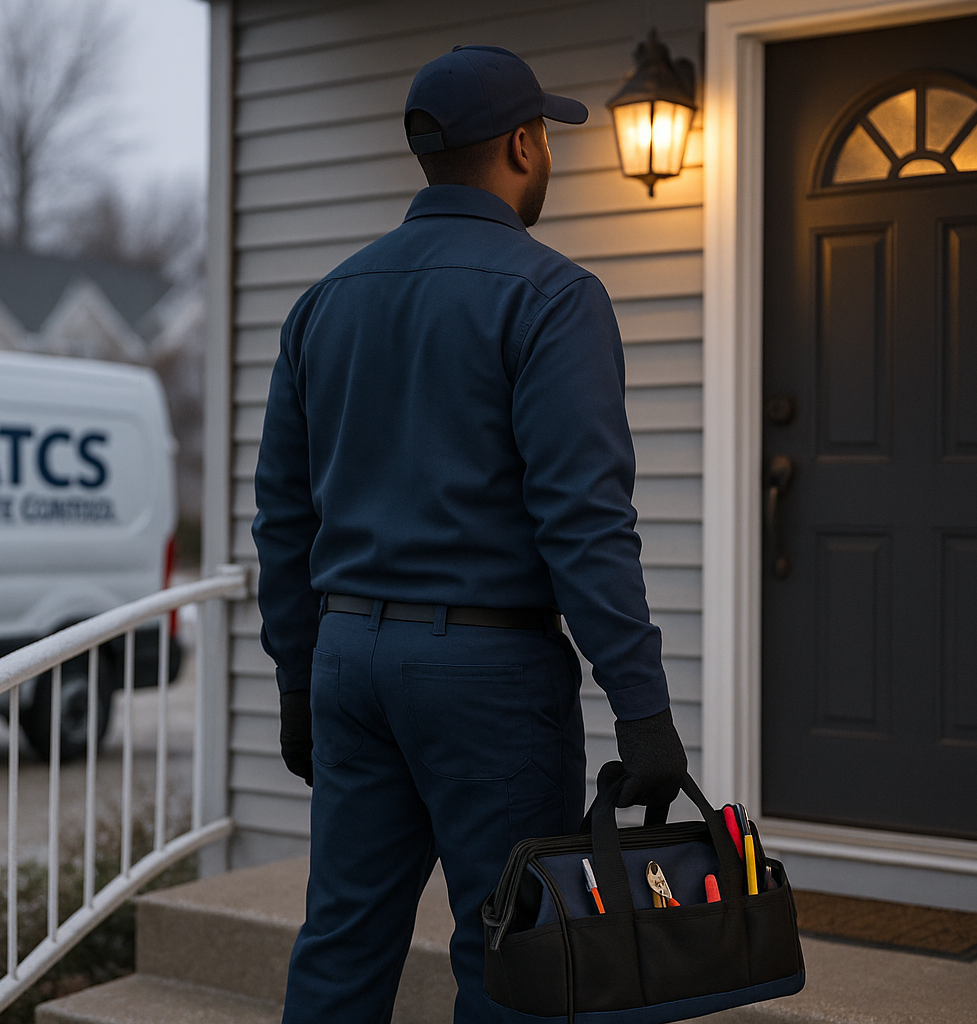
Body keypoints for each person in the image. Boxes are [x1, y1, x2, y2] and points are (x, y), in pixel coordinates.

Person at [252, 44, 688, 1024]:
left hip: (349, 662)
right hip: (487, 676)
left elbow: (283, 516)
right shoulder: (551, 295)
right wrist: (644, 709)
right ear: (526, 144)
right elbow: (584, 521)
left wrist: (295, 678)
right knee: (513, 951)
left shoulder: (324, 303)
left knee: (344, 938)